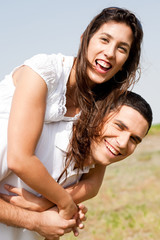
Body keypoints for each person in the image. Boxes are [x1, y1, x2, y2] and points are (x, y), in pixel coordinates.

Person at [0, 6, 143, 227]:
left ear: (126, 61)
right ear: (85, 38)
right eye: (104, 39)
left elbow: (93, 182)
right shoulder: (43, 72)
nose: (110, 53)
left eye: (122, 48)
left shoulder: (103, 101)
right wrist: (64, 203)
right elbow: (19, 159)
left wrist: (44, 203)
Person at [0, 91, 153, 240]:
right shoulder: (26, 137)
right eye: (119, 126)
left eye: (134, 139)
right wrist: (35, 221)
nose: (123, 143)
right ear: (97, 115)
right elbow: (37, 223)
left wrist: (59, 219)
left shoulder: (84, 171)